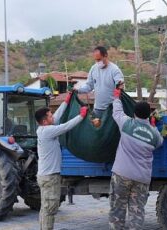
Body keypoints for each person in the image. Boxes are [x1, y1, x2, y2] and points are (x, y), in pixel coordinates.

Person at [109, 88, 163, 230]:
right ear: (149, 115)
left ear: (134, 113)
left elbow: (117, 112)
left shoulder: (126, 124)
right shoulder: (155, 134)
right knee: (137, 213)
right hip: (141, 178)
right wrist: (152, 125)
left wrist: (116, 97)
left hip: (122, 175)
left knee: (117, 210)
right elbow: (159, 143)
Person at [35, 92, 88, 230]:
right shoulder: (47, 131)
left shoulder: (43, 129)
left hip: (46, 176)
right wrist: (81, 116)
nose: (53, 116)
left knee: (45, 208)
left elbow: (57, 116)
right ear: (45, 121)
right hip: (50, 177)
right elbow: (65, 126)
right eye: (49, 115)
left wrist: (66, 100)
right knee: (50, 209)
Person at [76, 46, 124, 123]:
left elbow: (120, 86)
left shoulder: (115, 70)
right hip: (97, 109)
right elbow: (89, 86)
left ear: (105, 56)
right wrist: (77, 90)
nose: (97, 62)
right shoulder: (93, 69)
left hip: (111, 110)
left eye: (99, 59)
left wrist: (120, 85)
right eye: (96, 60)